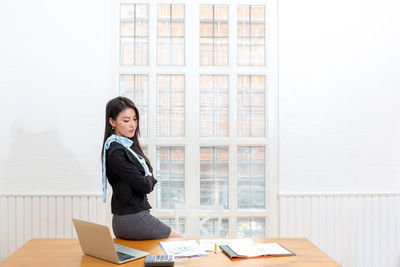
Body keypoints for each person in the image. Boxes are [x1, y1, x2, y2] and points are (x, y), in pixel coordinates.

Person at [101, 96, 182, 239]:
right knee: (179, 241)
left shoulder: (126, 145)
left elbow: (145, 177)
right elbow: (144, 186)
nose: (132, 125)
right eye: (126, 120)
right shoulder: (116, 151)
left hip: (128, 218)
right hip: (133, 218)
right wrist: (149, 178)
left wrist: (147, 178)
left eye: (135, 119)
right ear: (112, 121)